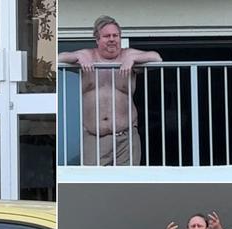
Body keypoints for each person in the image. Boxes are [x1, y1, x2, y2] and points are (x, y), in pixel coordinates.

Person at [58, 15, 162, 166]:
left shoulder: (128, 55)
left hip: (126, 138)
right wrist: (77, 56)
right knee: (93, 185)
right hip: (95, 138)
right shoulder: (87, 55)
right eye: (107, 36)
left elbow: (157, 58)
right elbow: (58, 58)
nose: (112, 39)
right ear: (97, 40)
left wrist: (134, 60)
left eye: (116, 35)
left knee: (127, 185)